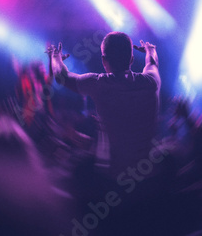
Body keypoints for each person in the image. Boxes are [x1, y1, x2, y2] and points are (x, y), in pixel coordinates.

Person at [49, 32, 161, 178]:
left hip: (114, 178)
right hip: (148, 176)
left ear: (104, 60)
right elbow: (152, 63)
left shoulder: (98, 84)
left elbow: (60, 76)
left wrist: (55, 57)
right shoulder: (151, 82)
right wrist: (150, 50)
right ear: (132, 59)